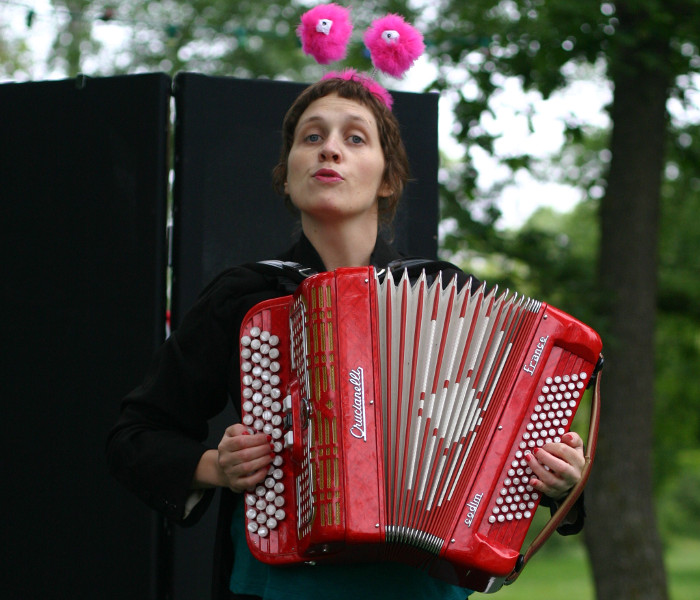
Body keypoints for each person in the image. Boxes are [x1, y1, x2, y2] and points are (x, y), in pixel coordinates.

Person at [107, 74, 586, 600]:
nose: (329, 148)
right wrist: (215, 468)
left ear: (387, 179)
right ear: (287, 176)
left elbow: (503, 440)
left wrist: (560, 480)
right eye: (311, 137)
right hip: (285, 583)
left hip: (419, 585)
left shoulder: (444, 290)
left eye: (354, 138)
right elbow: (136, 436)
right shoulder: (247, 296)